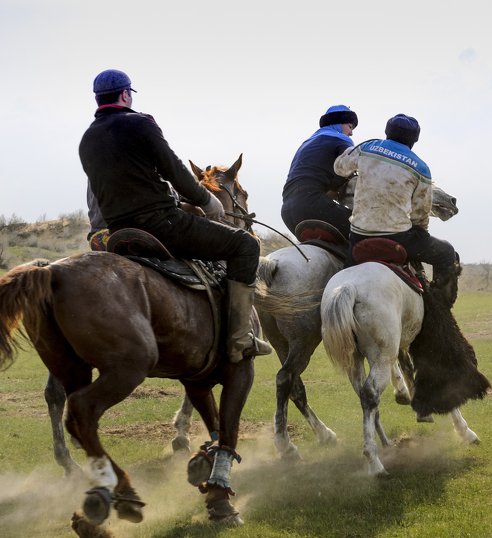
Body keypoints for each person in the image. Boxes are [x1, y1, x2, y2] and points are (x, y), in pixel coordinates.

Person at [78, 68, 271, 363]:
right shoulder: (141, 123)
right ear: (126, 95)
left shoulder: (87, 139)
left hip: (118, 231)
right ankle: (239, 339)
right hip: (162, 224)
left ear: (98, 99)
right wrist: (206, 200)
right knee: (246, 245)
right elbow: (173, 168)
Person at [333, 113, 458, 282]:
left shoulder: (367, 147)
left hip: (359, 235)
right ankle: (440, 299)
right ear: (414, 139)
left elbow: (339, 168)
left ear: (387, 131)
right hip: (398, 237)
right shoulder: (421, 168)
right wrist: (420, 233)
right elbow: (420, 214)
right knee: (446, 253)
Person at [280, 104, 359, 241]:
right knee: (363, 231)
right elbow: (351, 168)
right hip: (313, 206)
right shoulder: (342, 139)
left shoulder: (306, 143)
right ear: (338, 122)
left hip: (287, 211)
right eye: (350, 127)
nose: (351, 133)